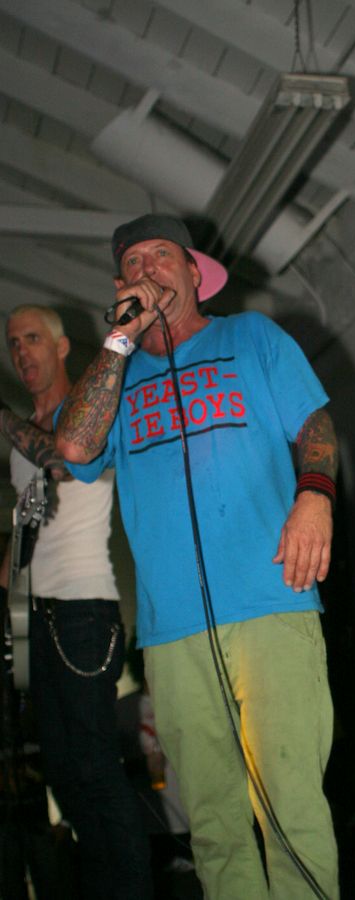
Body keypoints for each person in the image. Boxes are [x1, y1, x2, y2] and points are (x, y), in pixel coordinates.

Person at [55, 214, 340, 899]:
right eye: (133, 263)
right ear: (120, 286)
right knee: (212, 824)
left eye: (161, 255)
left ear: (192, 272)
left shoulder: (252, 337)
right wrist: (119, 341)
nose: (147, 269)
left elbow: (314, 424)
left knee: (290, 806)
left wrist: (315, 496)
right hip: (174, 630)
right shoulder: (116, 377)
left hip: (272, 599)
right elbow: (74, 448)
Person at [0, 305, 152, 900]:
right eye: (13, 343)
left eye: (32, 338)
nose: (22, 351)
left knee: (94, 767)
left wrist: (3, 418)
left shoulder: (86, 413)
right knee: (63, 773)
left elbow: (64, 463)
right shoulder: (22, 437)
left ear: (62, 347)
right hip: (37, 616)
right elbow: (29, 526)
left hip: (84, 611)